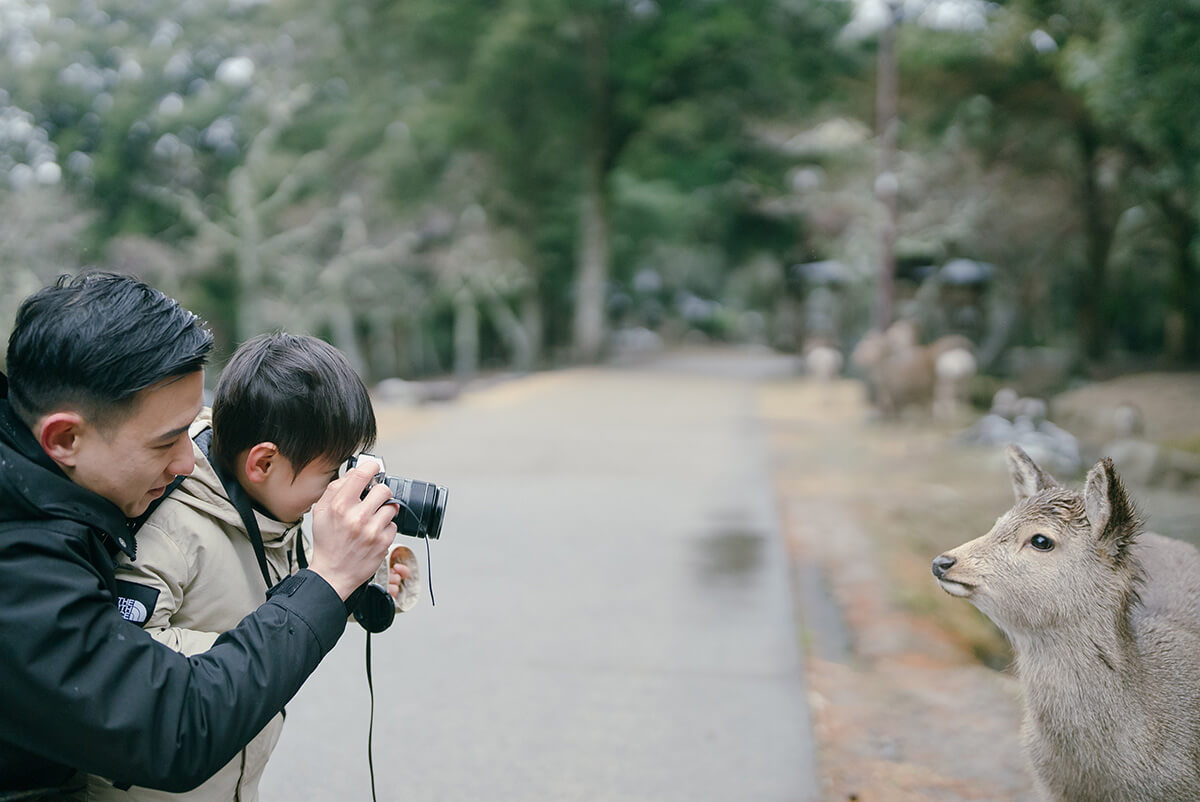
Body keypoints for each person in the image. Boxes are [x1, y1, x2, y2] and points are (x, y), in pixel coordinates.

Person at [0, 272, 399, 800]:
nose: (189, 462)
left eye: (191, 431)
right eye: (166, 442)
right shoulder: (18, 562)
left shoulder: (51, 490)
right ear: (65, 438)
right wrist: (323, 584)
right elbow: (170, 728)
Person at [86, 331, 421, 802]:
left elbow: (293, 581)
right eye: (330, 474)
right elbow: (131, 657)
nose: (337, 490)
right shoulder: (170, 527)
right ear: (262, 463)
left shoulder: (271, 512)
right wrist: (268, 637)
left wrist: (368, 576)